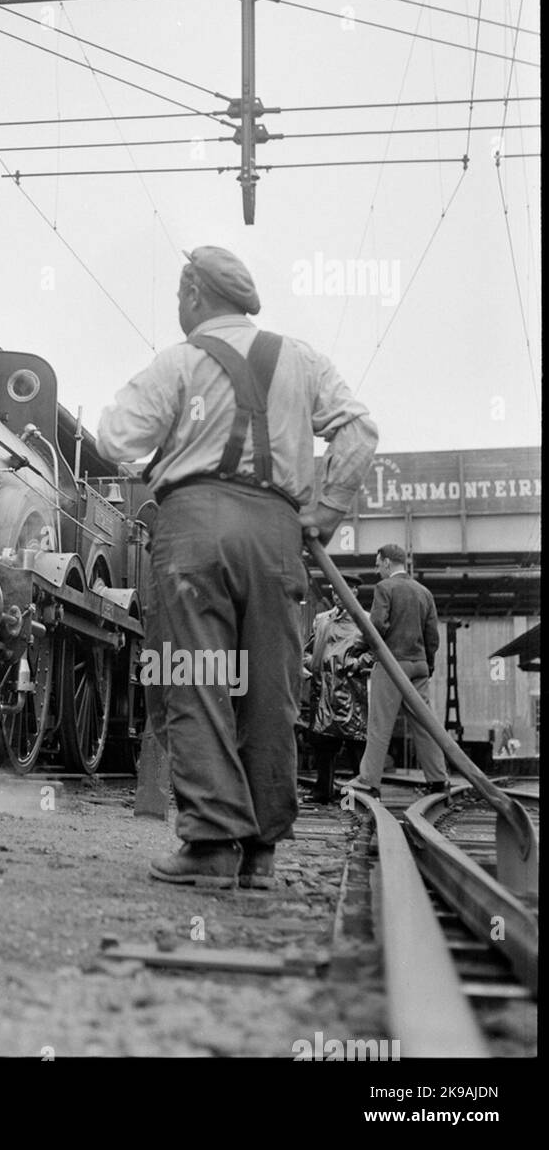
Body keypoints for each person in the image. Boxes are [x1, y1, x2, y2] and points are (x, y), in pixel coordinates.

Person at [97, 246, 378, 888]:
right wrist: (327, 509)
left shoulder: (179, 362)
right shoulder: (301, 358)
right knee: (271, 688)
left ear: (194, 295)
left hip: (194, 529)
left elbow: (115, 442)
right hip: (279, 534)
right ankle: (261, 854)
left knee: (194, 676)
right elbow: (360, 431)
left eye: (178, 296)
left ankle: (210, 844)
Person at [342, 544, 445, 797]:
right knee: (424, 724)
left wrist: (358, 647)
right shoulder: (424, 592)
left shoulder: (385, 588)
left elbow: (376, 624)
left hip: (391, 664)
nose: (377, 570)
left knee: (379, 724)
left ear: (387, 562)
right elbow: (433, 636)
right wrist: (427, 665)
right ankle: (438, 779)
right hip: (418, 665)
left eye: (378, 564)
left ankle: (369, 781)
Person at [302, 576, 372, 803]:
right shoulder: (321, 620)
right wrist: (313, 664)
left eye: (341, 591)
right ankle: (323, 791)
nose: (335, 595)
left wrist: (356, 664)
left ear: (354, 591)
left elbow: (376, 652)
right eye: (333, 591)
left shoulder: (365, 621)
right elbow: (308, 650)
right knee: (323, 745)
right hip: (323, 691)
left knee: (355, 747)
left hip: (351, 692)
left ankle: (358, 798)